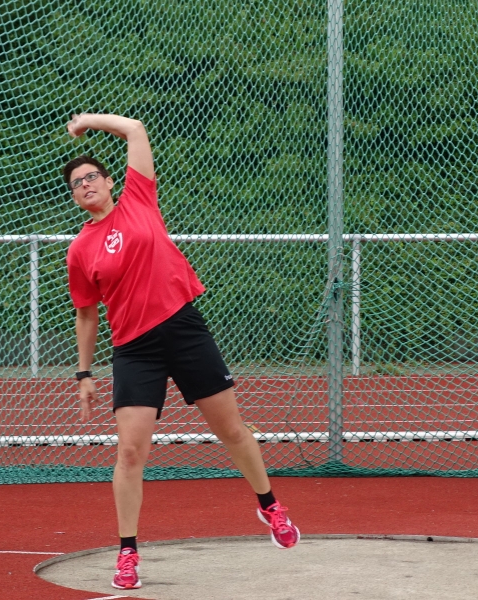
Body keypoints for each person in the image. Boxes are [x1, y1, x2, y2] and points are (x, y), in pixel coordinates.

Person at [63, 113, 300, 591]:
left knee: (231, 429)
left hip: (184, 329)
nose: (85, 184)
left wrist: (87, 121)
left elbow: (134, 129)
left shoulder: (139, 200)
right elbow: (86, 315)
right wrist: (84, 374)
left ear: (109, 182)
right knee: (131, 451)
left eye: (91, 177)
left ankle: (270, 505)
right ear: (73, 198)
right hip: (135, 349)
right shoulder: (80, 250)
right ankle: (128, 552)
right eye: (76, 184)